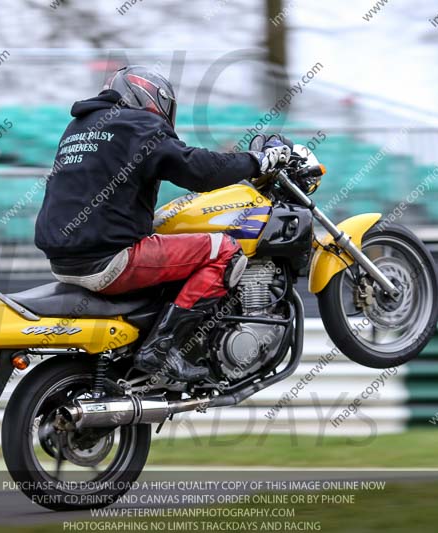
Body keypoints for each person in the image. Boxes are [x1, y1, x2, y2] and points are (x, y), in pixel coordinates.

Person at [35, 65, 290, 382]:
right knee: (226, 250)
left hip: (64, 260)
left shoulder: (79, 127)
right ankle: (163, 351)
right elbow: (195, 169)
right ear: (150, 96)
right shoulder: (136, 124)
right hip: (110, 258)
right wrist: (255, 161)